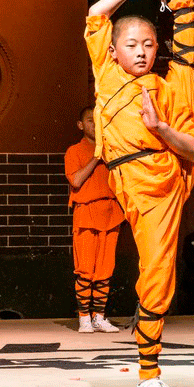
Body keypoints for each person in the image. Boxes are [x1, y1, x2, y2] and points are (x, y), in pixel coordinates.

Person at [85, 0, 194, 387]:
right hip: (120, 180)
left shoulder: (167, 88)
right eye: (132, 45)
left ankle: (149, 372)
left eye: (149, 44)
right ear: (114, 51)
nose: (141, 52)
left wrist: (162, 129)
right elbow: (97, 13)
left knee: (155, 271)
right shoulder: (106, 73)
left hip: (159, 184)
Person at [65, 107, 125, 334]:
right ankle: (84, 318)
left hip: (111, 212)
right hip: (87, 213)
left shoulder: (112, 150)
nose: (94, 124)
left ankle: (99, 317)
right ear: (80, 125)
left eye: (98, 120)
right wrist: (96, 157)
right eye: (90, 120)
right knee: (85, 270)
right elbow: (76, 181)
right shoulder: (74, 151)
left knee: (105, 270)